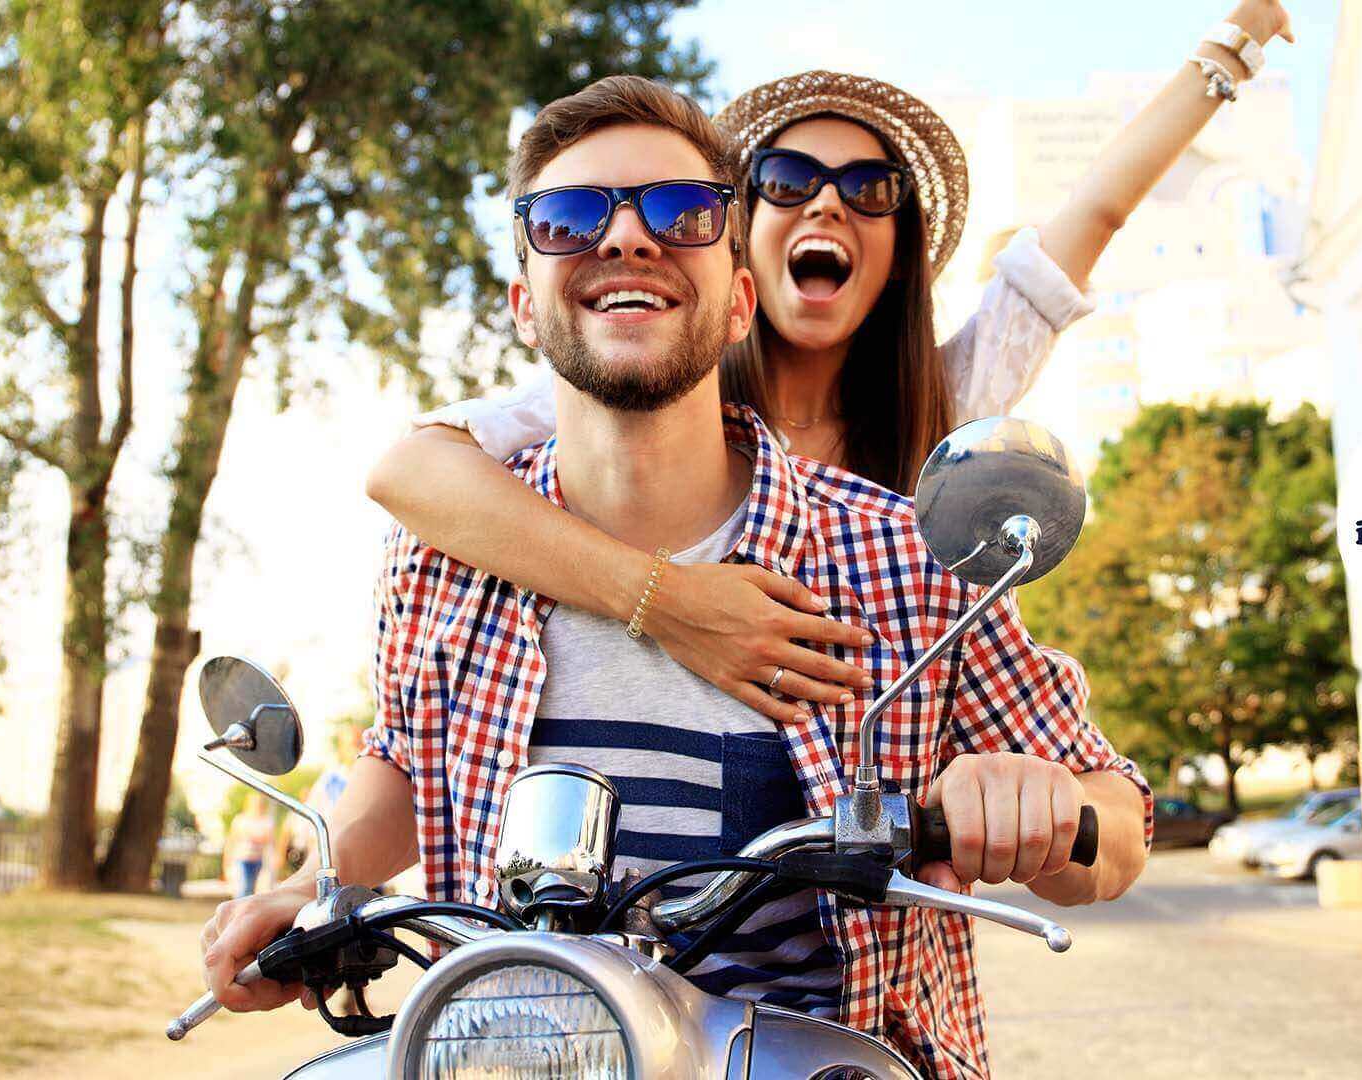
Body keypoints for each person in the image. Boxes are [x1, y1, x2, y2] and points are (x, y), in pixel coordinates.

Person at [203, 75, 1152, 1079]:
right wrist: (312, 887)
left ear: (740, 298)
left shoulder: (899, 555)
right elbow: (410, 759)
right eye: (568, 218)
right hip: (509, 1053)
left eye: (681, 211)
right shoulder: (447, 549)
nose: (625, 238)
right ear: (526, 306)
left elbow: (1119, 825)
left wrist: (1032, 804)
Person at [364, 1, 1296, 725]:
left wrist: (1231, 46)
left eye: (869, 188)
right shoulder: (657, 384)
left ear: (899, 248)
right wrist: (668, 601)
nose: (826, 206)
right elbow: (412, 470)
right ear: (735, 243)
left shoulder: (948, 402)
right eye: (785, 181)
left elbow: (1089, 216)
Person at [223, 800, 272, 899]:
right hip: (242, 858)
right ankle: (239, 909)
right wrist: (226, 859)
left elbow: (269, 839)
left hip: (257, 858)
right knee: (244, 887)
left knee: (251, 888)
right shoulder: (241, 820)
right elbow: (231, 840)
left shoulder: (266, 820)